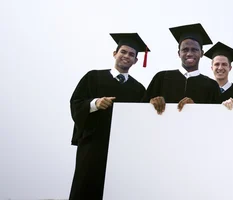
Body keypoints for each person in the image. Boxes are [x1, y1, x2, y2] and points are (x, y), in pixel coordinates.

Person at [69, 33, 149, 200]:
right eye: (123, 52)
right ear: (115, 53)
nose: (126, 56)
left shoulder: (139, 89)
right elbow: (76, 102)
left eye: (131, 55)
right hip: (93, 146)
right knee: (85, 188)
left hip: (121, 150)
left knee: (116, 190)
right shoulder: (93, 77)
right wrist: (95, 103)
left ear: (135, 61)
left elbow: (141, 121)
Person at [143, 23, 221, 114]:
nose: (189, 53)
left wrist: (195, 108)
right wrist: (150, 104)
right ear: (179, 53)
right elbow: (140, 110)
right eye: (185, 50)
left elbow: (216, 116)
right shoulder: (161, 78)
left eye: (194, 49)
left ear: (202, 53)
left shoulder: (212, 86)